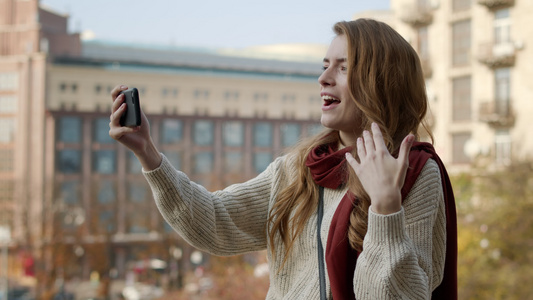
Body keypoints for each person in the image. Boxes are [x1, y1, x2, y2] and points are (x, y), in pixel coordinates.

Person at [109, 19, 457, 299]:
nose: (323, 79)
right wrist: (148, 153)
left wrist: (385, 208)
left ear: (381, 82)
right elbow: (215, 224)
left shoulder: (414, 173)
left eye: (342, 68)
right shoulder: (298, 168)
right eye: (324, 67)